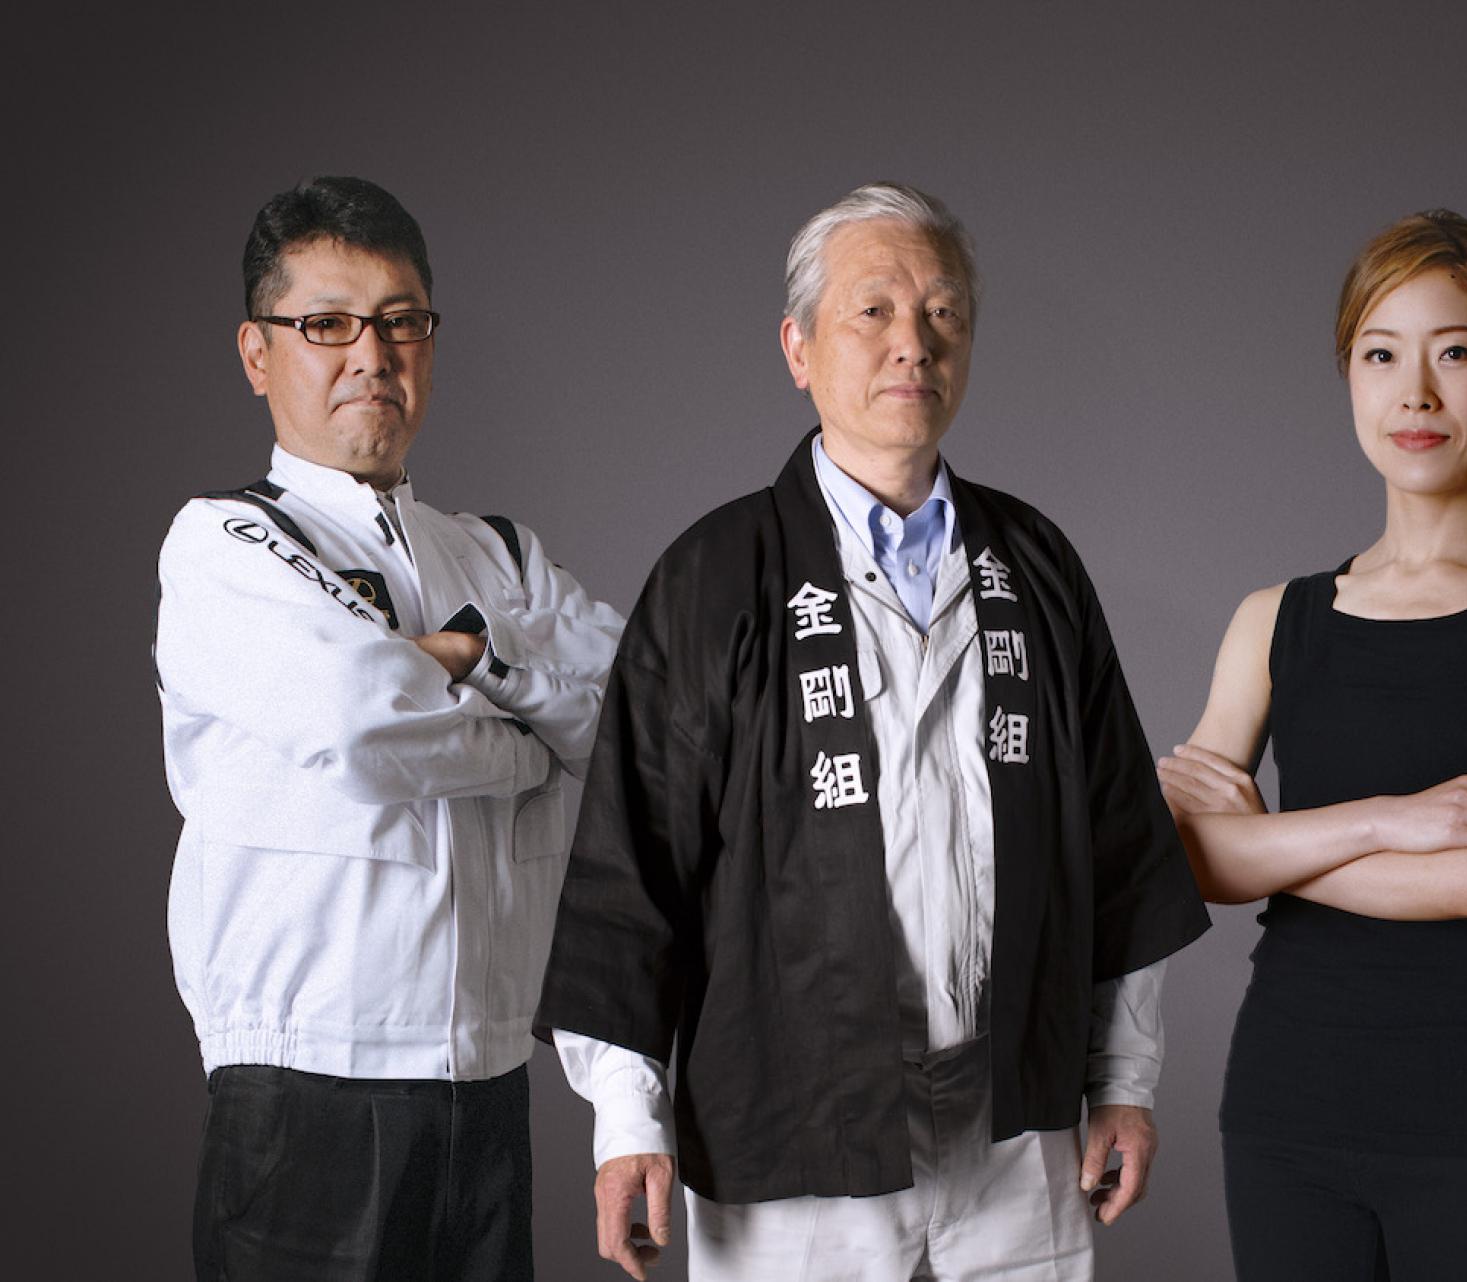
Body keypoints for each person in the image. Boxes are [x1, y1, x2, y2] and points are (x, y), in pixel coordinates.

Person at [534, 181, 1211, 1281]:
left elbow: (1119, 845)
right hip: (794, 1125)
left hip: (1012, 1119)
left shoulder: (1033, 564)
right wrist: (626, 1120)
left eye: (943, 314)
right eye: (875, 312)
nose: (915, 344)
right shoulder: (717, 577)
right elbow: (629, 869)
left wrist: (1122, 1078)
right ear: (798, 347)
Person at [156, 175, 625, 1281]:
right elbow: (362, 722)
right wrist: (524, 735)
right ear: (258, 353)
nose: (371, 353)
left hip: (491, 1079)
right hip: (307, 1092)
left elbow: (627, 717)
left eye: (401, 321)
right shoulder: (229, 544)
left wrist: (465, 655)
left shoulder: (497, 553)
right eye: (326, 324)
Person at [1158, 210, 1467, 1281]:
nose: (1415, 393)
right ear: (1350, 378)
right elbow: (1187, 862)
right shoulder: (1273, 616)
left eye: (1453, 353)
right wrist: (1390, 818)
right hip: (1284, 1101)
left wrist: (1267, 841)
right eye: (1381, 356)